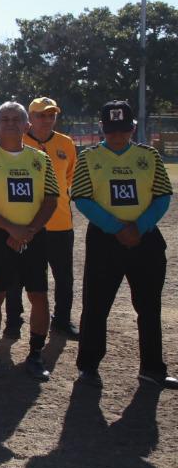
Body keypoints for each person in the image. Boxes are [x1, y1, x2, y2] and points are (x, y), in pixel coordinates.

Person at [71, 101, 175, 389]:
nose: (117, 136)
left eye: (123, 130)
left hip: (146, 240)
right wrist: (117, 228)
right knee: (96, 305)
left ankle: (152, 368)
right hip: (106, 241)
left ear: (132, 128)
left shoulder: (149, 156)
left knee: (149, 306)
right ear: (102, 128)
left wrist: (138, 227)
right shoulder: (89, 158)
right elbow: (81, 197)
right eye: (111, 130)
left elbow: (163, 196)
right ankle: (88, 366)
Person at [0, 101, 60, 380]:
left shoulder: (41, 159)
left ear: (26, 126)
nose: (10, 123)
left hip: (34, 236)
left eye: (16, 119)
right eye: (3, 119)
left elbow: (51, 200)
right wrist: (11, 229)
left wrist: (28, 231)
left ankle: (34, 355)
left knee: (39, 296)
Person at [4, 97, 79, 339]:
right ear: (29, 119)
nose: (46, 120)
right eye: (40, 115)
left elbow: (68, 178)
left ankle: (62, 320)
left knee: (63, 277)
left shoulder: (65, 143)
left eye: (51, 115)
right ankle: (14, 321)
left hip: (59, 223)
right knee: (16, 277)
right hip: (24, 224)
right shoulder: (17, 142)